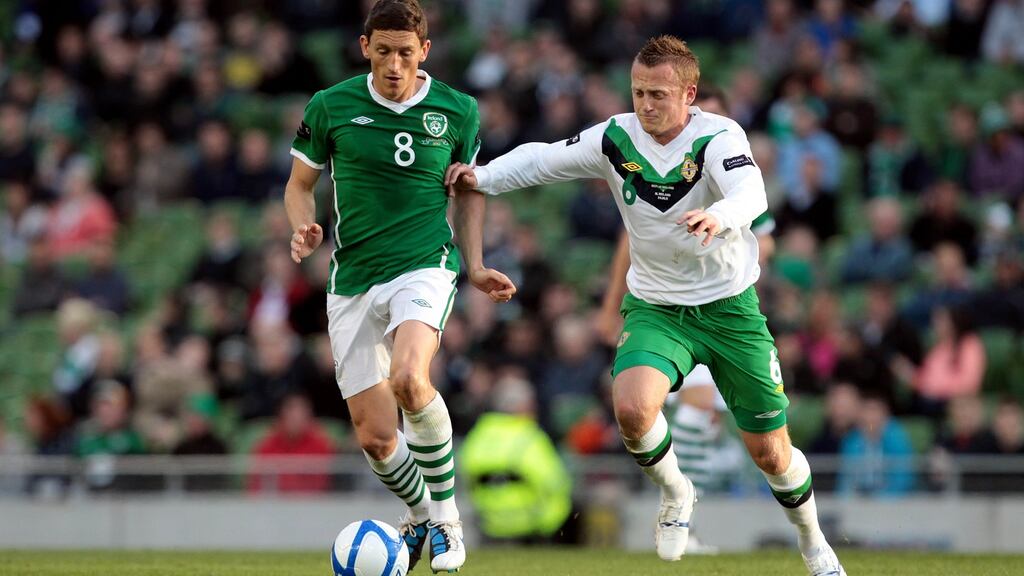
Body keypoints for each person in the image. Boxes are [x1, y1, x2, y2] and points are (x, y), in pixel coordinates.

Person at [447, 36, 845, 574]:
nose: (646, 104)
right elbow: (543, 160)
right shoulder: (617, 138)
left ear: (689, 94)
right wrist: (484, 176)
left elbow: (753, 196)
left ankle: (813, 542)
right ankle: (678, 494)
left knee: (771, 453)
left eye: (658, 93)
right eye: (638, 92)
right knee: (633, 411)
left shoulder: (719, 136)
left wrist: (721, 217)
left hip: (730, 308)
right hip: (657, 305)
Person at [282, 1, 514, 571]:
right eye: (382, 51)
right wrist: (303, 226)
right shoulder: (330, 105)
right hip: (353, 278)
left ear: (424, 52)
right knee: (377, 438)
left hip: (424, 264)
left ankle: (447, 521)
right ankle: (421, 515)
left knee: (411, 378)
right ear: (365, 47)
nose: (393, 64)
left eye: (405, 53)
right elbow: (298, 184)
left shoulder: (458, 110)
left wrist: (476, 264)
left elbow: (467, 192)